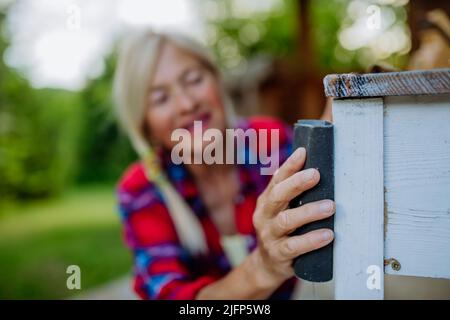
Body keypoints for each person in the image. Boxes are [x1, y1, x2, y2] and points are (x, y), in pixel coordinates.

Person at [113, 29, 335, 300]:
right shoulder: (141, 189)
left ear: (217, 81)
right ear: (146, 127)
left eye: (194, 80)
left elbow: (329, 183)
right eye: (160, 98)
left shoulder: (267, 141)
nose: (187, 103)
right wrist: (262, 268)